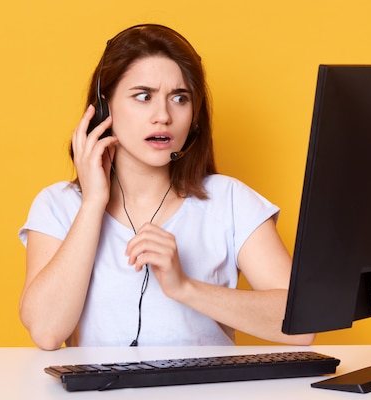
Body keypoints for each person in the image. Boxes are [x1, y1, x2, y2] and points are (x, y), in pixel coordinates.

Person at [18, 24, 315, 350]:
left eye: (179, 98)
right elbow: (46, 332)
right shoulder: (57, 205)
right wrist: (93, 203)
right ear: (105, 108)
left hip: (209, 398)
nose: (163, 116)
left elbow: (302, 326)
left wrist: (185, 287)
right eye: (143, 97)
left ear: (195, 114)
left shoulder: (229, 200)